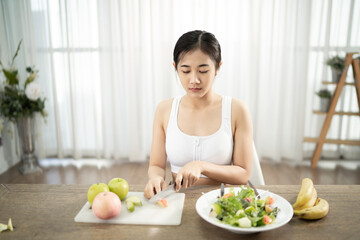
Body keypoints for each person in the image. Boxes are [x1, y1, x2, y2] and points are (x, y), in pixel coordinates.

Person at [144, 30, 253, 199]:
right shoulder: (164, 109)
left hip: (223, 202)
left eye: (203, 71)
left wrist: (201, 166)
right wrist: (156, 178)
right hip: (178, 199)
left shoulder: (237, 110)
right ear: (176, 68)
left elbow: (243, 173)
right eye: (185, 71)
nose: (194, 80)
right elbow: (157, 165)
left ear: (217, 68)